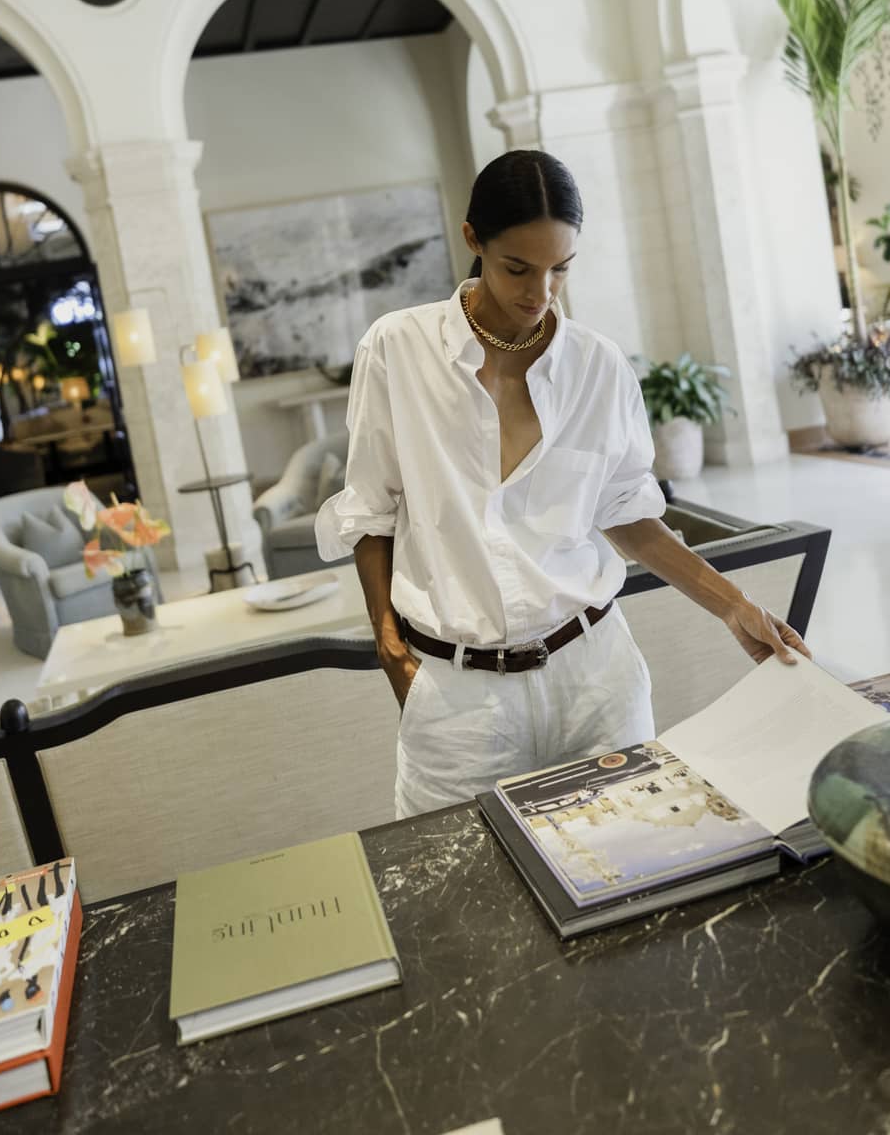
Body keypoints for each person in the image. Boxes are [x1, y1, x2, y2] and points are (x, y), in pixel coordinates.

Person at [315, 150, 810, 819]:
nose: (539, 293)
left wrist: (733, 604)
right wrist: (391, 651)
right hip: (461, 703)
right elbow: (372, 510)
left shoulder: (597, 367)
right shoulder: (397, 351)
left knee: (635, 875)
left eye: (560, 270)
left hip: (596, 681)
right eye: (519, 268)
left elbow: (627, 515)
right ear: (473, 241)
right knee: (463, 908)